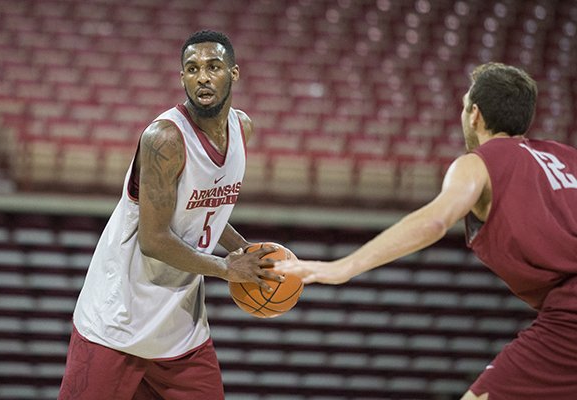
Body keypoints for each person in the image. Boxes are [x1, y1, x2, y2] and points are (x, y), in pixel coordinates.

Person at [275, 62, 577, 400]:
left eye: (464, 106)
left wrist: (341, 268)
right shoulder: (567, 157)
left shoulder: (479, 162)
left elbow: (435, 221)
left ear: (474, 114)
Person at [59, 30, 281, 400]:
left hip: (179, 325)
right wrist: (228, 268)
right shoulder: (164, 139)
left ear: (234, 73)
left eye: (213, 67)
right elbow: (154, 239)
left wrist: (244, 249)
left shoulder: (242, 129)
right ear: (182, 78)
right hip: (118, 320)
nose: (203, 77)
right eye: (192, 69)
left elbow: (206, 207)